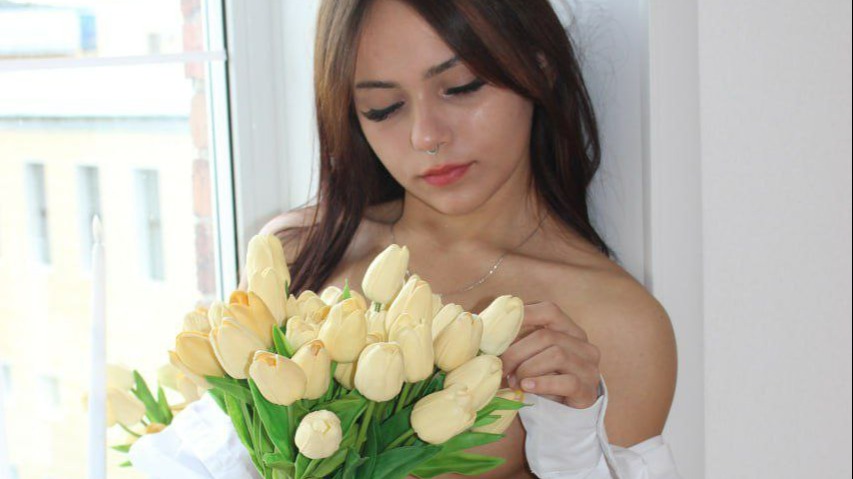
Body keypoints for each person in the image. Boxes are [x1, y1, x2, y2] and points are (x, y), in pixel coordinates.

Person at [131, 0, 681, 477]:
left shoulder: (617, 326)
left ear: (540, 66)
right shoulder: (299, 253)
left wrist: (574, 444)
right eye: (384, 108)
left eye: (461, 87)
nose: (427, 136)